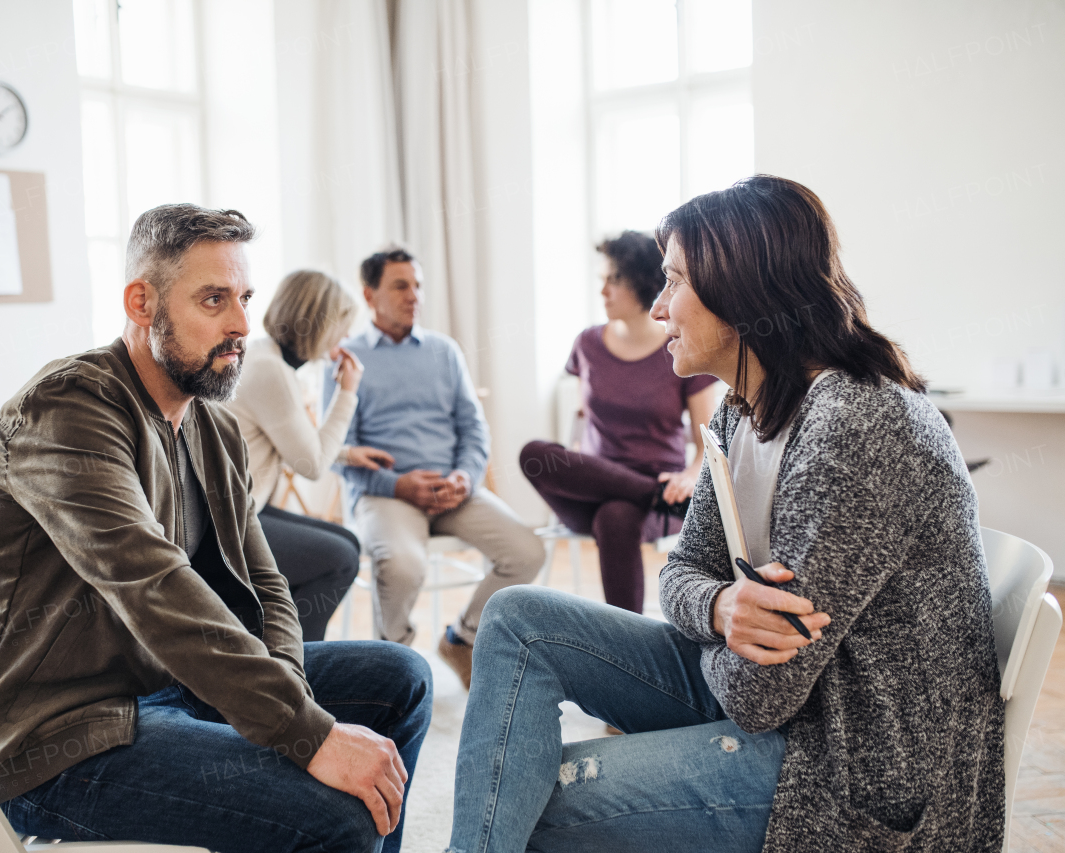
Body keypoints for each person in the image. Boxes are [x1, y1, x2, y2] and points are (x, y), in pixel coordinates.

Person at [447, 176, 1003, 853]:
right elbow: (681, 574)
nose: (657, 309)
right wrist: (718, 610)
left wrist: (715, 617)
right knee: (515, 617)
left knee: (536, 791)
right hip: (793, 708)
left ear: (740, 293)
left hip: (849, 770)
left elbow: (761, 696)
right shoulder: (746, 409)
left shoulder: (854, 424)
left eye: (673, 282)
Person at [0, 204, 432, 853]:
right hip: (56, 737)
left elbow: (266, 583)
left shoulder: (210, 424)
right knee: (332, 817)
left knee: (402, 677)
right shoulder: (67, 411)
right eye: (213, 299)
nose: (240, 324)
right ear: (141, 302)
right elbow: (156, 586)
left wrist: (292, 705)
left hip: (167, 688)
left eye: (243, 298)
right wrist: (305, 733)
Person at [326, 247, 544, 689]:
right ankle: (393, 664)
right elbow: (335, 448)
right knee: (404, 565)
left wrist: (465, 475)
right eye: (401, 286)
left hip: (453, 489)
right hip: (387, 493)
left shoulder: (444, 351)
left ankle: (461, 639)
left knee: (527, 551)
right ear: (370, 295)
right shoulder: (345, 357)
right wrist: (397, 484)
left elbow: (473, 428)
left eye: (418, 285)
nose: (414, 296)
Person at [520, 230, 719, 614]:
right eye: (602, 281)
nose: (603, 292)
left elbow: (707, 440)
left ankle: (626, 640)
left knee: (617, 515)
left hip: (663, 490)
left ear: (642, 283)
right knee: (534, 453)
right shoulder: (587, 344)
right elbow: (583, 425)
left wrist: (690, 477)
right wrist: (578, 466)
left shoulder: (680, 348)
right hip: (597, 481)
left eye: (614, 280)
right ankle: (649, 493)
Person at [225, 269, 395, 641]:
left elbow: (292, 445)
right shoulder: (270, 369)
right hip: (229, 523)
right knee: (339, 559)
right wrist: (348, 392)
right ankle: (301, 661)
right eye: (342, 325)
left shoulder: (267, 357)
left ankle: (281, 644)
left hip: (246, 507)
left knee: (348, 542)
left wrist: (348, 454)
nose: (346, 336)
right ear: (318, 324)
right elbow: (312, 465)